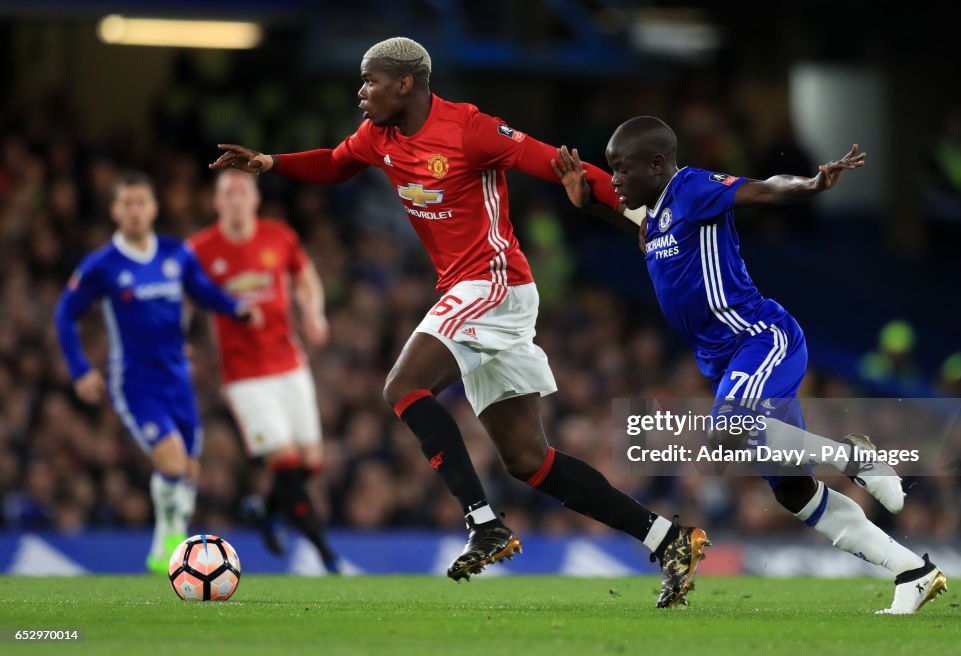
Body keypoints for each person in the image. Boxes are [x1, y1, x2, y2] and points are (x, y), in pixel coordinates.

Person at [209, 36, 705, 608]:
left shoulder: (470, 129)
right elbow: (335, 163)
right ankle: (667, 539)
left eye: (371, 81)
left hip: (495, 283)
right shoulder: (378, 136)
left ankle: (483, 524)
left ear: (406, 84)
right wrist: (271, 163)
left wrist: (647, 215)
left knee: (401, 386)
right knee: (527, 460)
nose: (361, 92)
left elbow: (557, 163)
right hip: (472, 294)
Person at [552, 116, 947, 615]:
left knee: (726, 432)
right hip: (726, 362)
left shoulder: (691, 188)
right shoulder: (653, 217)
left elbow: (763, 191)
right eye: (610, 171)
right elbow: (646, 230)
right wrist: (590, 205)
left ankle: (857, 460)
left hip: (760, 339)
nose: (614, 180)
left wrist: (809, 184)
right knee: (794, 492)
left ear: (656, 164)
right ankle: (914, 571)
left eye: (621, 169)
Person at [54, 171, 259, 572]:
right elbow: (65, 313)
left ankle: (168, 541)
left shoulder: (175, 253)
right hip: (135, 382)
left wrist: (235, 307)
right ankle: (168, 541)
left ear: (153, 208)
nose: (133, 211)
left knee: (189, 469)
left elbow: (200, 290)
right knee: (172, 463)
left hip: (178, 378)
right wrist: (80, 369)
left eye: (140, 203)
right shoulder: (102, 265)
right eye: (126, 203)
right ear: (115, 210)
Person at [189, 169, 338, 572]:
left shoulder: (279, 237)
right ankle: (326, 552)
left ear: (254, 199)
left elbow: (305, 278)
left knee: (311, 461)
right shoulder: (201, 249)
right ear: (217, 202)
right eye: (228, 192)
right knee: (286, 462)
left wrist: (314, 313)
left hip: (289, 362)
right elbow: (183, 300)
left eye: (242, 190)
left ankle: (265, 509)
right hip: (244, 375)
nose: (236, 198)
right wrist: (180, 341)